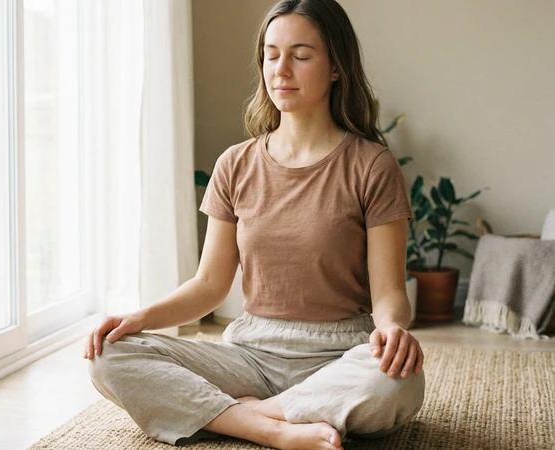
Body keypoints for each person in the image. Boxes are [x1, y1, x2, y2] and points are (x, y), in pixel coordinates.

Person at [85, 1, 424, 449]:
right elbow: (209, 284)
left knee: (398, 383)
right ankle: (270, 428)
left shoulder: (372, 166)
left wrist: (394, 329)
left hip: (341, 354)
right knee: (109, 355)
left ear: (336, 67)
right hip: (250, 356)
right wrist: (138, 317)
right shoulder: (235, 164)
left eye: (301, 56)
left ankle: (241, 413)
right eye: (271, 54)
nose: (281, 69)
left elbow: (388, 293)